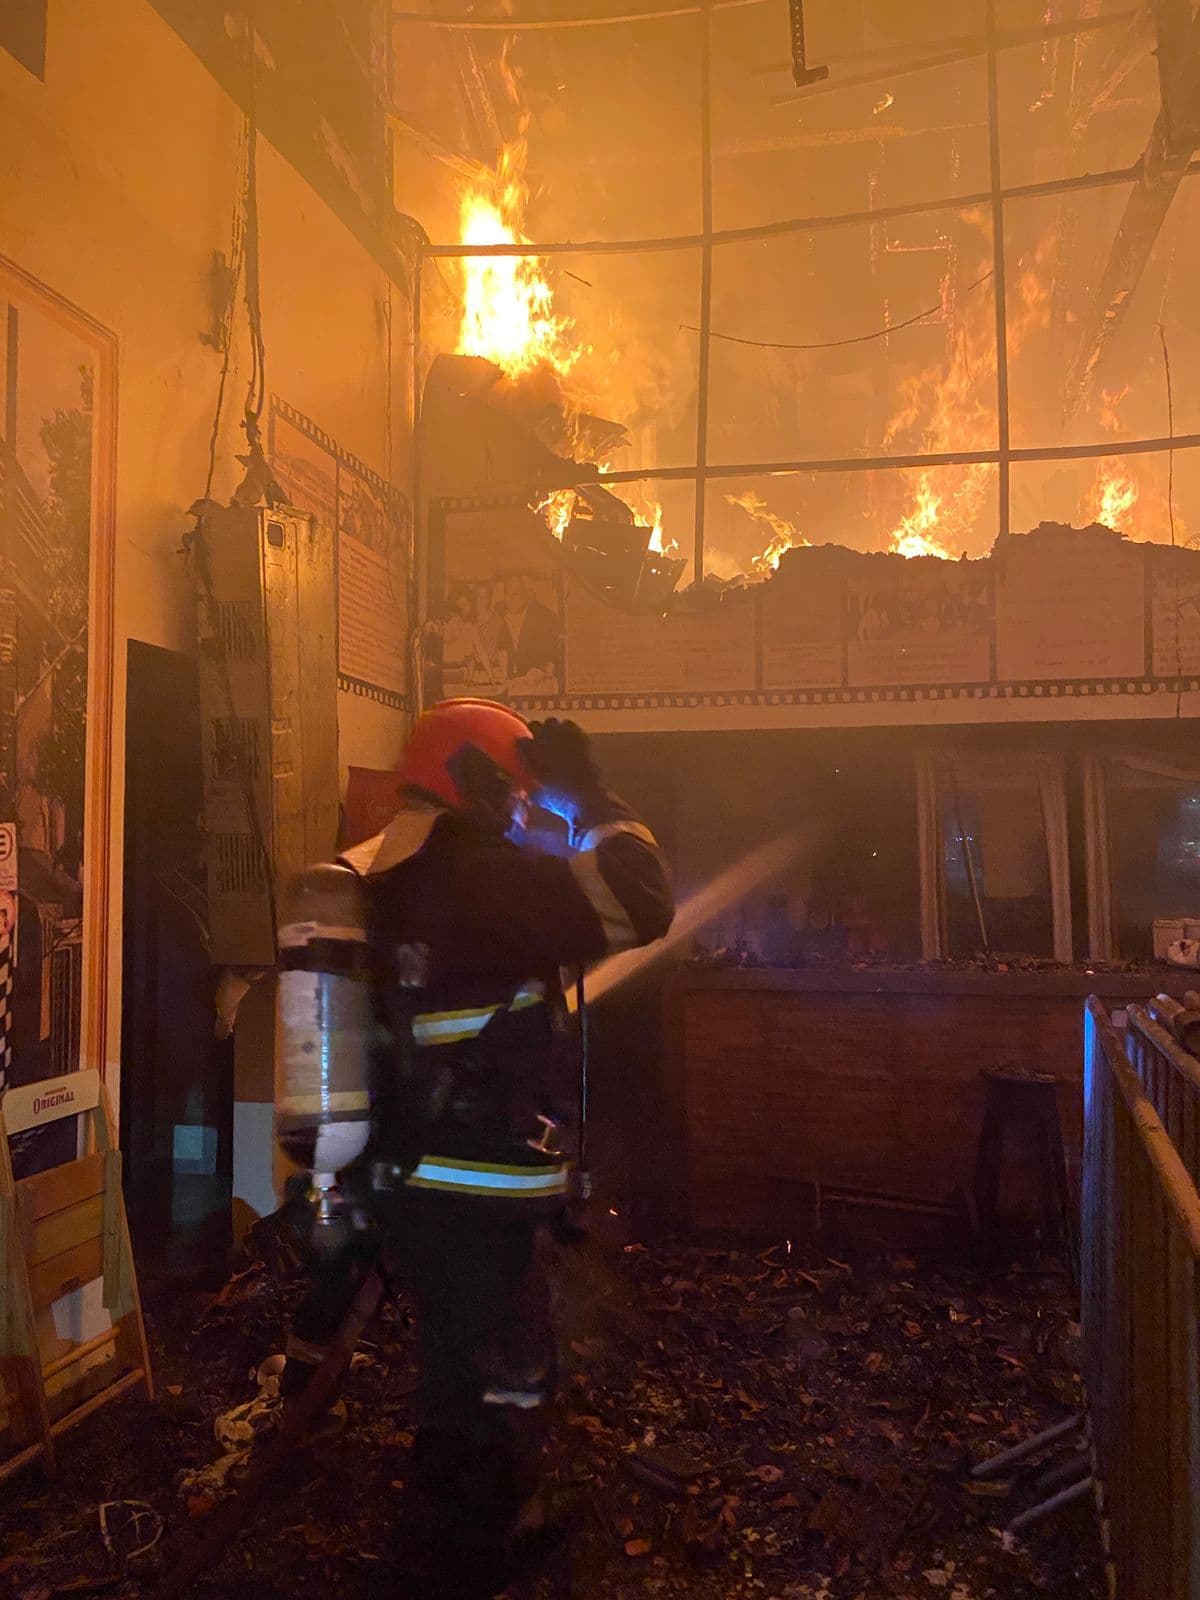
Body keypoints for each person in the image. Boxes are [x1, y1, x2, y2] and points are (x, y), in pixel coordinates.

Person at [278, 699, 672, 1585]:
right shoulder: (481, 876)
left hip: (414, 1173)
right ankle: (459, 1555)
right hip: (475, 1179)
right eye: (520, 792)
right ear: (480, 782)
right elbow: (642, 896)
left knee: (463, 1360)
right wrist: (593, 797)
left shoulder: (387, 877)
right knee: (496, 1371)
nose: (525, 811)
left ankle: (467, 1523)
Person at [494, 573, 561, 689]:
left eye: (516, 593)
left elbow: (553, 660)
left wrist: (540, 672)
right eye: (507, 594)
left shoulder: (546, 618)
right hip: (508, 687)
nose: (511, 598)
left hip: (537, 687)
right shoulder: (498, 616)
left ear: (527, 594)